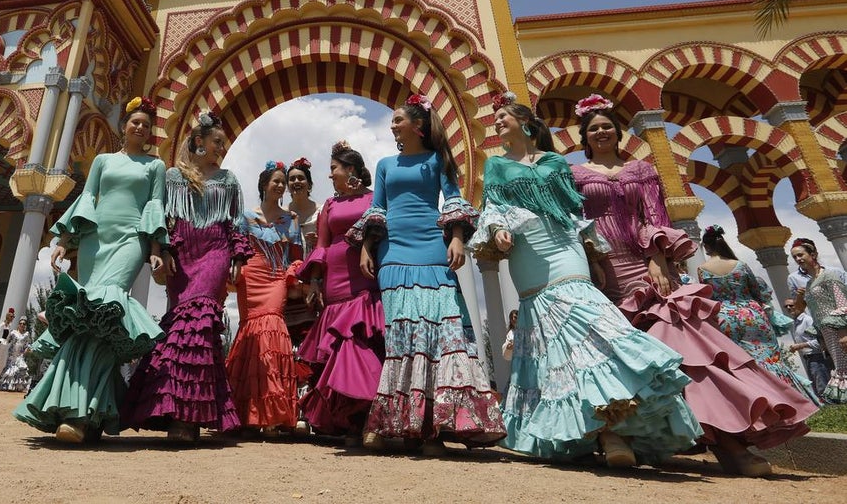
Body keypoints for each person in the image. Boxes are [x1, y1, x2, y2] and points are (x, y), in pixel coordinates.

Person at [571, 95, 816, 475]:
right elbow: (576, 222)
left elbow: (655, 215)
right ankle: (619, 437)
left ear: (618, 132)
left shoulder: (641, 170)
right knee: (614, 355)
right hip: (603, 271)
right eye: (593, 129)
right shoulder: (575, 175)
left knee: (687, 349)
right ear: (584, 137)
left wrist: (657, 256)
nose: (601, 132)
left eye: (607, 126)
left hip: (646, 266)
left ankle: (730, 443)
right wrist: (588, 260)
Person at [470, 91, 698, 468]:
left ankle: (614, 428)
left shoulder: (555, 162)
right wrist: (496, 230)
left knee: (589, 326)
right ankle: (599, 432)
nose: (497, 123)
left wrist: (592, 253)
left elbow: (573, 210)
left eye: (503, 117)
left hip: (565, 246)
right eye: (495, 120)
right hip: (527, 252)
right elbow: (493, 205)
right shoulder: (496, 165)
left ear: (525, 123)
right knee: (552, 341)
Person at [354, 93, 505, 456]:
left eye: (398, 120)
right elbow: (378, 208)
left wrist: (457, 239)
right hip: (393, 253)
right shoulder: (385, 164)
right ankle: (409, 428)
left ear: (418, 125)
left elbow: (452, 199)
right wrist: (366, 247)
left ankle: (436, 429)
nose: (392, 125)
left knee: (441, 335)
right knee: (403, 339)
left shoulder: (438, 160)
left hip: (433, 250)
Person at [14, 96, 167, 443]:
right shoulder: (103, 160)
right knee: (87, 319)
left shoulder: (155, 166)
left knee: (108, 307)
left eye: (146, 125)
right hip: (95, 241)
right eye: (135, 122)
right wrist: (64, 240)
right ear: (124, 126)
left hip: (131, 240)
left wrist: (156, 249)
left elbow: (155, 205)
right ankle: (92, 412)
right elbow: (88, 198)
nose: (140, 127)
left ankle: (78, 415)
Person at [123, 109, 250, 443]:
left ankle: (188, 419)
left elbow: (235, 222)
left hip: (216, 252)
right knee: (180, 328)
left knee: (200, 321)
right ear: (199, 142)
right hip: (182, 255)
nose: (220, 148)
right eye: (216, 142)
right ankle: (173, 410)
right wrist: (162, 251)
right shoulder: (173, 177)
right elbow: (163, 218)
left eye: (222, 143)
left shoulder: (229, 180)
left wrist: (238, 256)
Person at [295, 141, 382, 444]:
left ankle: (370, 418)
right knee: (337, 349)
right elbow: (321, 244)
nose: (330, 175)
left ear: (351, 169)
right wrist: (315, 281)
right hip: (335, 281)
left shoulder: (374, 198)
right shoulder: (329, 205)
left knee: (360, 344)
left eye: (334, 168)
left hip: (365, 277)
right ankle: (349, 423)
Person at [698, 226, 822, 404]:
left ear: (706, 246)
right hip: (752, 313)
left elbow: (708, 296)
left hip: (725, 317)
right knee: (770, 358)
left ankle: (760, 403)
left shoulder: (702, 269)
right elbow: (757, 291)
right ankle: (790, 399)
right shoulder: (740, 265)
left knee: (742, 361)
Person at [226, 160, 304, 437]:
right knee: (250, 335)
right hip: (251, 277)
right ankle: (247, 414)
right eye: (276, 181)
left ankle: (272, 415)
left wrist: (295, 277)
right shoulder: (246, 217)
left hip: (276, 278)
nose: (281, 185)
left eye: (283, 182)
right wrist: (235, 269)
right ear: (264, 185)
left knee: (272, 328)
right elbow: (236, 250)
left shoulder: (291, 219)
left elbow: (296, 257)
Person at [790, 238, 847, 404]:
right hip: (827, 333)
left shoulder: (828, 276)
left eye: (800, 255)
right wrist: (799, 295)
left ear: (813, 254)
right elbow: (799, 310)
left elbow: (842, 303)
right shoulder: (809, 284)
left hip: (840, 331)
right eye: (795, 257)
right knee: (841, 366)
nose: (798, 259)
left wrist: (844, 333)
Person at [785, 297, 832, 397]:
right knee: (817, 388)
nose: (788, 308)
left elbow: (820, 341)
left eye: (791, 305)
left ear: (799, 305)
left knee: (823, 387)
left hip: (817, 357)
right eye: (786, 306)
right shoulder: (795, 323)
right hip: (808, 358)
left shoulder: (807, 319)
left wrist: (800, 345)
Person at [0, 317, 32, 392]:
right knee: (10, 371)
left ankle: (17, 387)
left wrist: (27, 350)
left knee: (19, 370)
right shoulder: (13, 332)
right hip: (11, 355)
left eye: (24, 324)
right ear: (18, 324)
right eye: (20, 323)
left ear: (25, 325)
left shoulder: (27, 334)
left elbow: (28, 344)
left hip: (20, 355)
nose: (22, 325)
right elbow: (6, 340)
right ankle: (6, 386)